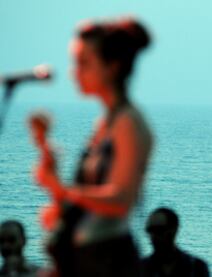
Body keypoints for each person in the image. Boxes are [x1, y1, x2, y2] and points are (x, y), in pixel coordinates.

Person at [31, 16, 153, 276]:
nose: (74, 72)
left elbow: (120, 200)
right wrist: (44, 147)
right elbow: (87, 201)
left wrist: (62, 190)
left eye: (84, 62)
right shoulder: (105, 123)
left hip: (109, 263)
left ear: (112, 67)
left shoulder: (128, 122)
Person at [142, 208, 210, 277]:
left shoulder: (197, 267)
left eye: (159, 230)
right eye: (150, 230)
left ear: (173, 230)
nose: (154, 236)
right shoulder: (141, 268)